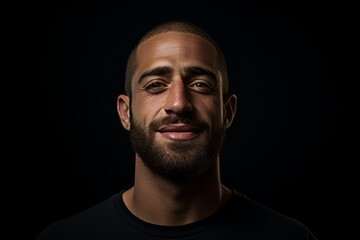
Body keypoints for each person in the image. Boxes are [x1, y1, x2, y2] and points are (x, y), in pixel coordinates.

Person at [36, 20, 317, 240]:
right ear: (125, 112)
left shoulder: (289, 237)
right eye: (156, 84)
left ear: (227, 112)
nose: (179, 103)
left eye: (200, 85)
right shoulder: (64, 238)